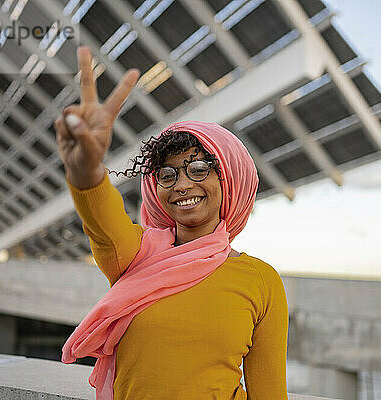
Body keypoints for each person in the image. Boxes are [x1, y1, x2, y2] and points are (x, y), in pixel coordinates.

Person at [55, 46, 288, 400]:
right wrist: (85, 170)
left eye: (198, 169)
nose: (181, 184)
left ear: (229, 180)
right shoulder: (133, 256)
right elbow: (101, 219)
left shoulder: (261, 280)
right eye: (167, 174)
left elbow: (269, 394)